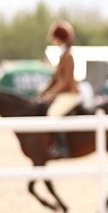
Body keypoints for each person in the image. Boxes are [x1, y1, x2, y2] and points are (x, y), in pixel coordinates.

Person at [36, 20, 80, 159]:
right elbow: (54, 79)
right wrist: (41, 92)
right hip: (63, 93)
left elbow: (65, 81)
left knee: (53, 113)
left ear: (59, 38)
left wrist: (50, 93)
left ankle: (62, 147)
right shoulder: (63, 55)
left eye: (55, 38)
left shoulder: (69, 56)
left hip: (70, 94)